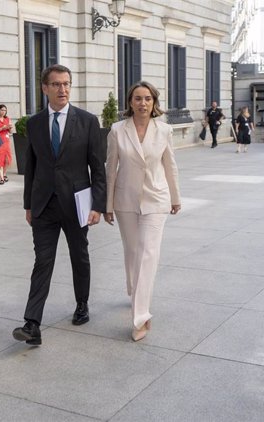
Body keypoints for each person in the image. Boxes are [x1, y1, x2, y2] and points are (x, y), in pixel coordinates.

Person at [12, 64, 107, 346]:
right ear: (45, 88)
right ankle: (32, 324)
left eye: (66, 84)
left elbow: (97, 168)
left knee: (80, 256)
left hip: (77, 204)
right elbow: (31, 166)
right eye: (56, 84)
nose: (63, 89)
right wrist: (29, 204)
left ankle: (82, 304)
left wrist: (97, 205)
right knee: (43, 261)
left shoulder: (88, 121)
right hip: (44, 206)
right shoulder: (34, 123)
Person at [104, 81, 181, 342]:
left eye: (147, 98)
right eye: (137, 98)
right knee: (133, 252)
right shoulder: (117, 130)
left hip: (156, 199)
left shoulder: (164, 130)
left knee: (148, 254)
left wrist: (175, 196)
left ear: (154, 102)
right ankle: (134, 290)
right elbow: (110, 167)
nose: (143, 103)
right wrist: (108, 204)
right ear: (130, 102)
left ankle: (139, 317)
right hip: (125, 199)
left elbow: (170, 165)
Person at [0, 104, 13, 185]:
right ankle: (1, 178)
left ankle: (4, 174)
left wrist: (10, 128)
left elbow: (11, 132)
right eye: (2, 110)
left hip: (7, 141)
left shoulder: (7, 119)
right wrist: (2, 128)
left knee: (8, 160)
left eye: (5, 110)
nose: (3, 112)